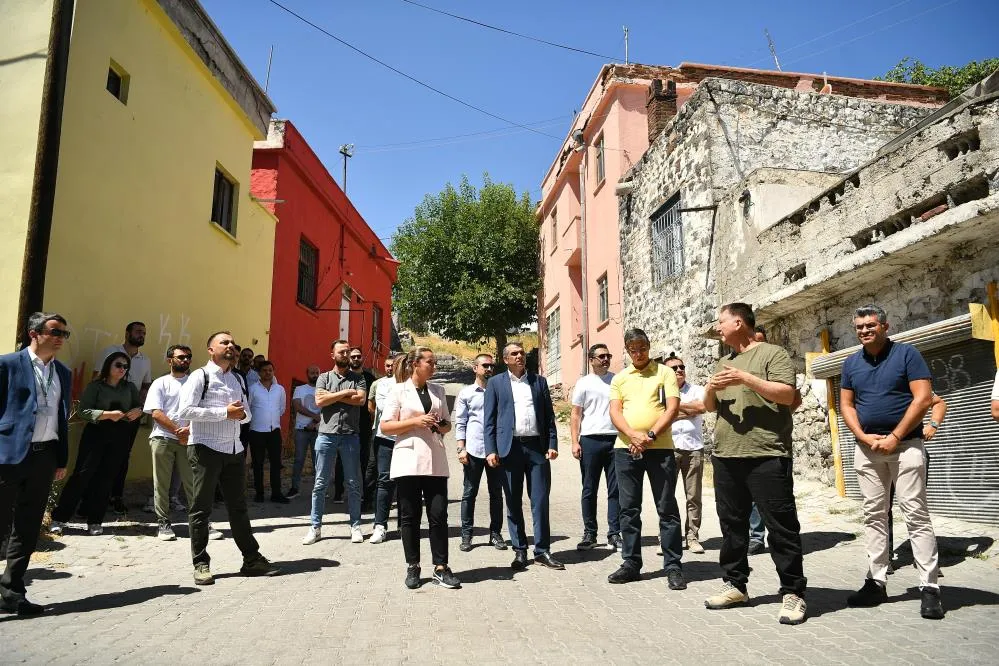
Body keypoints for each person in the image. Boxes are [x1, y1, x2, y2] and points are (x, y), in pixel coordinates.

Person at [703, 303, 807, 626]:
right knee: (732, 526)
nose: (718, 328)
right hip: (726, 456)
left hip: (766, 454)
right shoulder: (724, 361)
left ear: (739, 321)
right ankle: (735, 585)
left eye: (721, 322)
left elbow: (788, 395)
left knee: (781, 527)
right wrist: (710, 387)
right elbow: (710, 406)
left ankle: (793, 593)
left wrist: (745, 378)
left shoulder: (772, 355)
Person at [839, 305, 943, 620]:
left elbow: (923, 398)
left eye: (871, 325)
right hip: (867, 449)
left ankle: (930, 588)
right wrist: (863, 436)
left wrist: (896, 436)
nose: (865, 330)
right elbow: (845, 403)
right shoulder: (851, 362)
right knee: (873, 515)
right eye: (859, 327)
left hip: (907, 445)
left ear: (885, 325)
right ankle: (876, 582)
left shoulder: (907, 355)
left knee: (916, 515)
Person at [178, 331, 280, 585]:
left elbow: (245, 415)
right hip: (206, 449)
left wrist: (240, 414)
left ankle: (251, 559)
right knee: (201, 509)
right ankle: (201, 563)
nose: (231, 346)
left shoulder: (237, 379)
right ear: (210, 349)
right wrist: (225, 412)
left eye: (233, 343)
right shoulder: (199, 376)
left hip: (234, 450)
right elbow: (185, 411)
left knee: (238, 508)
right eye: (224, 342)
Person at [0, 313, 72, 616]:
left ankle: (12, 593)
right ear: (34, 333)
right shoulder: (8, 364)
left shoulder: (63, 372)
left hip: (44, 456)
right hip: (9, 455)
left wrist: (61, 458)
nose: (60, 338)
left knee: (28, 527)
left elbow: (60, 415)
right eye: (55, 332)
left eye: (64, 334)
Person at [605, 329, 683, 589]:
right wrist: (632, 435)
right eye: (633, 350)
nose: (638, 354)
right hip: (626, 450)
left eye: (642, 348)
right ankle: (631, 563)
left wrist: (649, 435)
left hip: (659, 448)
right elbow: (615, 412)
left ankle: (673, 565)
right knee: (628, 509)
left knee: (667, 508)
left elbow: (672, 408)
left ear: (649, 346)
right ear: (627, 351)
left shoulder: (665, 373)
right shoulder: (620, 378)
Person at [380, 347, 460, 589]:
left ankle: (441, 567)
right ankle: (413, 566)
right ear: (415, 364)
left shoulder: (439, 390)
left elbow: (447, 425)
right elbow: (386, 427)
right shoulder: (398, 390)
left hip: (435, 459)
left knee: (438, 515)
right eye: (430, 362)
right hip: (408, 460)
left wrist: (440, 424)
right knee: (410, 517)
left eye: (435, 362)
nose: (433, 366)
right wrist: (415, 421)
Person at [483, 342, 563, 571]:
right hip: (510, 449)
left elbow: (548, 417)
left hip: (536, 449)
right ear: (506, 359)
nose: (520, 356)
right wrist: (491, 450)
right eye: (514, 353)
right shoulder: (496, 383)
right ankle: (519, 550)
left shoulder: (539, 382)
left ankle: (542, 551)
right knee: (513, 501)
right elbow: (489, 421)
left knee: (540, 501)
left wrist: (552, 443)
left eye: (522, 353)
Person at [50, 352, 142, 536]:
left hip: (121, 433)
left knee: (107, 477)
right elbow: (83, 411)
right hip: (97, 432)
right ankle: (59, 518)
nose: (122, 369)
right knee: (82, 474)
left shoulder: (129, 387)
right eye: (118, 365)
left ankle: (95, 520)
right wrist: (107, 414)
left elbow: (137, 406)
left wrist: (137, 412)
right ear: (108, 366)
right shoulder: (96, 387)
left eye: (125, 367)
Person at [302, 340, 367, 546]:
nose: (346, 354)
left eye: (348, 351)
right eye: (342, 351)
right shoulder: (323, 377)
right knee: (320, 483)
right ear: (333, 355)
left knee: (353, 483)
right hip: (326, 435)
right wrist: (345, 393)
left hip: (350, 435)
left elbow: (361, 401)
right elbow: (320, 402)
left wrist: (332, 396)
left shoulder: (358, 378)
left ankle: (355, 525)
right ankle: (315, 527)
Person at [96, 322, 153, 514]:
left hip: (131, 415)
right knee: (102, 454)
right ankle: (96, 497)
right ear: (127, 333)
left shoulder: (145, 360)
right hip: (108, 413)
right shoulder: (110, 352)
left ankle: (116, 496)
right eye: (138, 331)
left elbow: (146, 387)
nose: (141, 335)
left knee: (123, 456)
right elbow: (97, 379)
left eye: (144, 333)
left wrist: (141, 409)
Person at [570, 344, 621, 552]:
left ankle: (614, 533)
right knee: (589, 489)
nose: (606, 359)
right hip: (590, 440)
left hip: (615, 440)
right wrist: (575, 441)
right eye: (601, 356)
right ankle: (590, 533)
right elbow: (575, 414)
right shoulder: (583, 383)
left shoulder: (617, 380)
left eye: (608, 355)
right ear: (591, 360)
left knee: (615, 490)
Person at [887, 393, 947, 571]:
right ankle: (885, 559)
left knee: (916, 506)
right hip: (879, 452)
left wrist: (933, 425)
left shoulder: (908, 382)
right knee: (882, 508)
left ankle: (924, 559)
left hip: (910, 450)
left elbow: (939, 403)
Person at [456, 354, 506, 552]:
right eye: (485, 365)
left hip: (495, 451)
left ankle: (495, 534)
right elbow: (461, 422)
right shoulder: (466, 393)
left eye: (491, 366)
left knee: (496, 494)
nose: (489, 369)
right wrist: (461, 448)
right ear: (475, 368)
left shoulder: (500, 392)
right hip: (474, 450)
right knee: (469, 493)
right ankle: (466, 535)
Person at [664, 353, 707, 554]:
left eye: (681, 367)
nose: (679, 370)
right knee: (666, 496)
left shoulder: (696, 389)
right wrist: (685, 411)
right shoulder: (661, 391)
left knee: (694, 496)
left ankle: (692, 537)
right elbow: (658, 415)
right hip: (668, 449)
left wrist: (672, 410)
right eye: (674, 368)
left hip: (693, 449)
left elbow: (700, 407)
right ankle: (667, 538)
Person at [368, 354, 402, 544]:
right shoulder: (383, 385)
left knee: (408, 482)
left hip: (409, 439)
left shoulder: (418, 385)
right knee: (385, 481)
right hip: (386, 438)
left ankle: (404, 524)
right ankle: (380, 525)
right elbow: (387, 410)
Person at [248, 360, 288, 504]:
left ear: (273, 371)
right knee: (258, 463)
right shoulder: (253, 389)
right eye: (265, 370)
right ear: (259, 373)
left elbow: (282, 409)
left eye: (270, 370)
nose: (268, 373)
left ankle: (276, 494)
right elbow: (248, 407)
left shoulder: (280, 389)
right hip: (256, 431)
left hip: (274, 431)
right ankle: (259, 493)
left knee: (276, 463)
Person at [348, 347, 377, 509]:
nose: (356, 359)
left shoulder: (369, 378)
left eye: (359, 356)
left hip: (365, 425)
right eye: (354, 356)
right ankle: (340, 493)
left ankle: (367, 496)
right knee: (343, 462)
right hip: (346, 425)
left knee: (366, 462)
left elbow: (374, 401)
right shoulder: (344, 377)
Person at [288, 364, 322, 499]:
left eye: (317, 372)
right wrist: (314, 416)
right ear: (307, 374)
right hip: (301, 429)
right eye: (312, 372)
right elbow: (297, 406)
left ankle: (319, 490)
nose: (315, 375)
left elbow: (325, 409)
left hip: (318, 430)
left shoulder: (323, 390)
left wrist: (314, 423)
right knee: (299, 460)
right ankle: (294, 488)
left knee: (318, 461)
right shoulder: (300, 389)